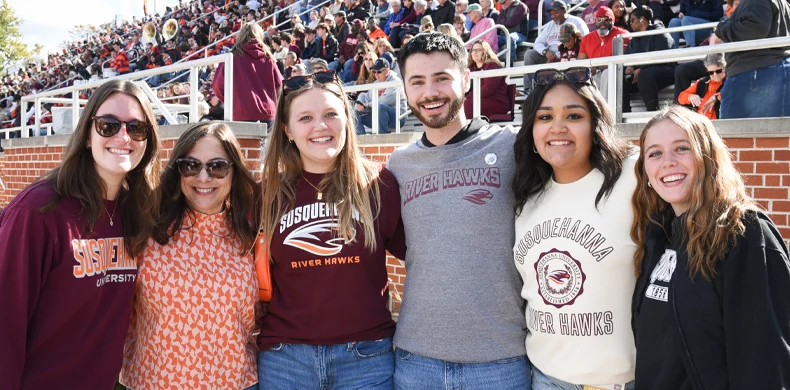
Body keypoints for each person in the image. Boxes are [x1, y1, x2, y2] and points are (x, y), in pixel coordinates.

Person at [388, 32, 530, 389]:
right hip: (416, 359)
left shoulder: (511, 147)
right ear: (405, 89)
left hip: (501, 360)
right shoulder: (399, 165)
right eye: (417, 81)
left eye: (441, 78)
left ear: (466, 80)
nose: (430, 92)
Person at [0, 79, 161, 389]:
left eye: (136, 128)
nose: (123, 136)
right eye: (108, 125)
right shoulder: (37, 211)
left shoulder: (138, 212)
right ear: (88, 135)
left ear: (147, 140)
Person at [257, 70, 406, 389]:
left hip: (367, 359)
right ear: (287, 130)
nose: (320, 126)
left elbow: (423, 260)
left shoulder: (379, 185)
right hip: (286, 359)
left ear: (346, 119)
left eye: (330, 114)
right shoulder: (266, 193)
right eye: (305, 117)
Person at [631, 106, 790, 389]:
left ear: (707, 156)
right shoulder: (659, 234)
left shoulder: (745, 234)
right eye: (654, 153)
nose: (667, 162)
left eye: (682, 148)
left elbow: (765, 360)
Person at [512, 67, 637, 389]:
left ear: (595, 123)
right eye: (544, 117)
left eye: (574, 115)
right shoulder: (526, 195)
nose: (557, 127)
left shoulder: (634, 175)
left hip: (620, 381)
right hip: (546, 377)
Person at [120, 122, 259, 389]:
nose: (204, 178)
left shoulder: (253, 237)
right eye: (191, 166)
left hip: (235, 383)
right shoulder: (146, 230)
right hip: (152, 383)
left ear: (234, 172)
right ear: (178, 171)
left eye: (217, 166)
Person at [715, 0, 790, 118]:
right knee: (776, 133)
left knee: (735, 133)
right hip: (769, 70)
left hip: (755, 73)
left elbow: (753, 29)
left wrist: (721, 28)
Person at [213, 22, 283, 125]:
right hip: (268, 113)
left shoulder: (231, 58)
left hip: (241, 113)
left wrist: (231, 102)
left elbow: (217, 86)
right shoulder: (268, 58)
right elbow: (280, 86)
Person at [522, 0, 588, 92]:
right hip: (549, 55)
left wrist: (556, 55)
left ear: (564, 11)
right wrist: (545, 52)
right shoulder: (549, 25)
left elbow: (583, 42)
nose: (554, 16)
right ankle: (529, 89)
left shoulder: (576, 22)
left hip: (570, 54)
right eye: (552, 13)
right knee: (529, 54)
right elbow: (538, 42)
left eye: (556, 12)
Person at [622, 6, 675, 112]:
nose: (630, 24)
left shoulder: (660, 32)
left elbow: (663, 58)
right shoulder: (634, 40)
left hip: (666, 71)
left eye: (632, 20)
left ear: (641, 19)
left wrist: (641, 69)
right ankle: (624, 112)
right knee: (619, 79)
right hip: (643, 76)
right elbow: (627, 58)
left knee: (644, 75)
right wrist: (629, 68)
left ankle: (652, 111)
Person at [578, 6, 630, 101]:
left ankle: (605, 107)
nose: (602, 22)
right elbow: (580, 63)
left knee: (606, 73)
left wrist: (598, 68)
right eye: (599, 19)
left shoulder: (623, 35)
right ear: (595, 21)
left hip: (614, 73)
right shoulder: (587, 39)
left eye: (606, 19)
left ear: (612, 21)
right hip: (593, 74)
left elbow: (621, 60)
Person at [355, 58, 407, 134]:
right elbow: (367, 97)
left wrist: (367, 105)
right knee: (355, 113)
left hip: (398, 118)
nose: (376, 75)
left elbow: (386, 100)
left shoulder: (395, 81)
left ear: (387, 70)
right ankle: (361, 140)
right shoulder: (376, 83)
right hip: (378, 117)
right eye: (374, 72)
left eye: (379, 72)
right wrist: (361, 103)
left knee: (380, 106)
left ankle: (382, 138)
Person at [463, 40, 511, 119]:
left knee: (467, 104)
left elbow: (487, 89)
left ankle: (467, 129)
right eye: (473, 50)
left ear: (486, 52)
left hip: (496, 102)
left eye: (478, 50)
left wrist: (467, 97)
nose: (475, 52)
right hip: (478, 99)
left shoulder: (493, 66)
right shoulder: (471, 68)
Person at [678, 53, 726, 119]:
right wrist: (690, 97)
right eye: (711, 72)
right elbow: (681, 97)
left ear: (724, 67)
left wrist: (716, 97)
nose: (715, 75)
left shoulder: (730, 81)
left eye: (718, 71)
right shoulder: (702, 82)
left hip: (719, 123)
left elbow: (735, 92)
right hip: (700, 122)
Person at [496, 0, 530, 64]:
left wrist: (502, 21)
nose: (502, 5)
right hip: (505, 35)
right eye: (501, 3)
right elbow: (497, 23)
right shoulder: (504, 9)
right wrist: (505, 21)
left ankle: (510, 64)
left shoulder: (521, 7)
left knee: (510, 38)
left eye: (503, 2)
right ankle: (493, 64)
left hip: (520, 35)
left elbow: (512, 22)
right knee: (492, 39)